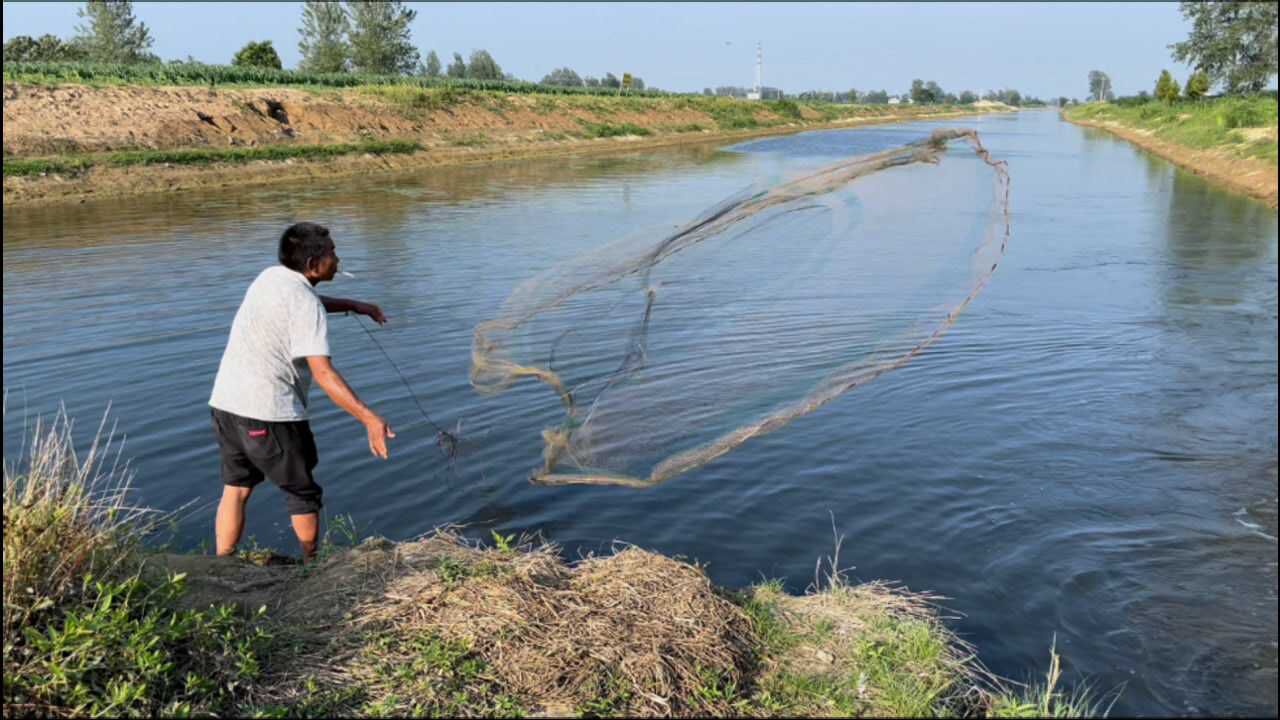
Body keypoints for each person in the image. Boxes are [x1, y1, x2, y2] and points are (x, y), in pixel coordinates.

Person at [208, 221, 394, 562]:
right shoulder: (305, 304)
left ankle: (223, 563)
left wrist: (353, 304)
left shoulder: (271, 277)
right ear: (312, 264)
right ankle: (311, 567)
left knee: (236, 488)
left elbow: (305, 299)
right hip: (269, 410)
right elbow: (323, 373)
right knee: (302, 492)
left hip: (225, 403)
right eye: (332, 254)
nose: (337, 260)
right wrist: (369, 418)